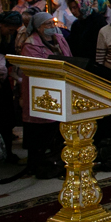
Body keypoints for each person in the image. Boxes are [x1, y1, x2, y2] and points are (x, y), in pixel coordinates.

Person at [19, 13, 73, 177]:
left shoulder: (59, 38)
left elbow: (69, 57)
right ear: (38, 27)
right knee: (40, 129)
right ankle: (38, 163)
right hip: (41, 90)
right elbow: (37, 68)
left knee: (57, 128)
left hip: (60, 86)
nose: (51, 27)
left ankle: (57, 160)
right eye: (47, 24)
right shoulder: (30, 44)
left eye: (52, 23)